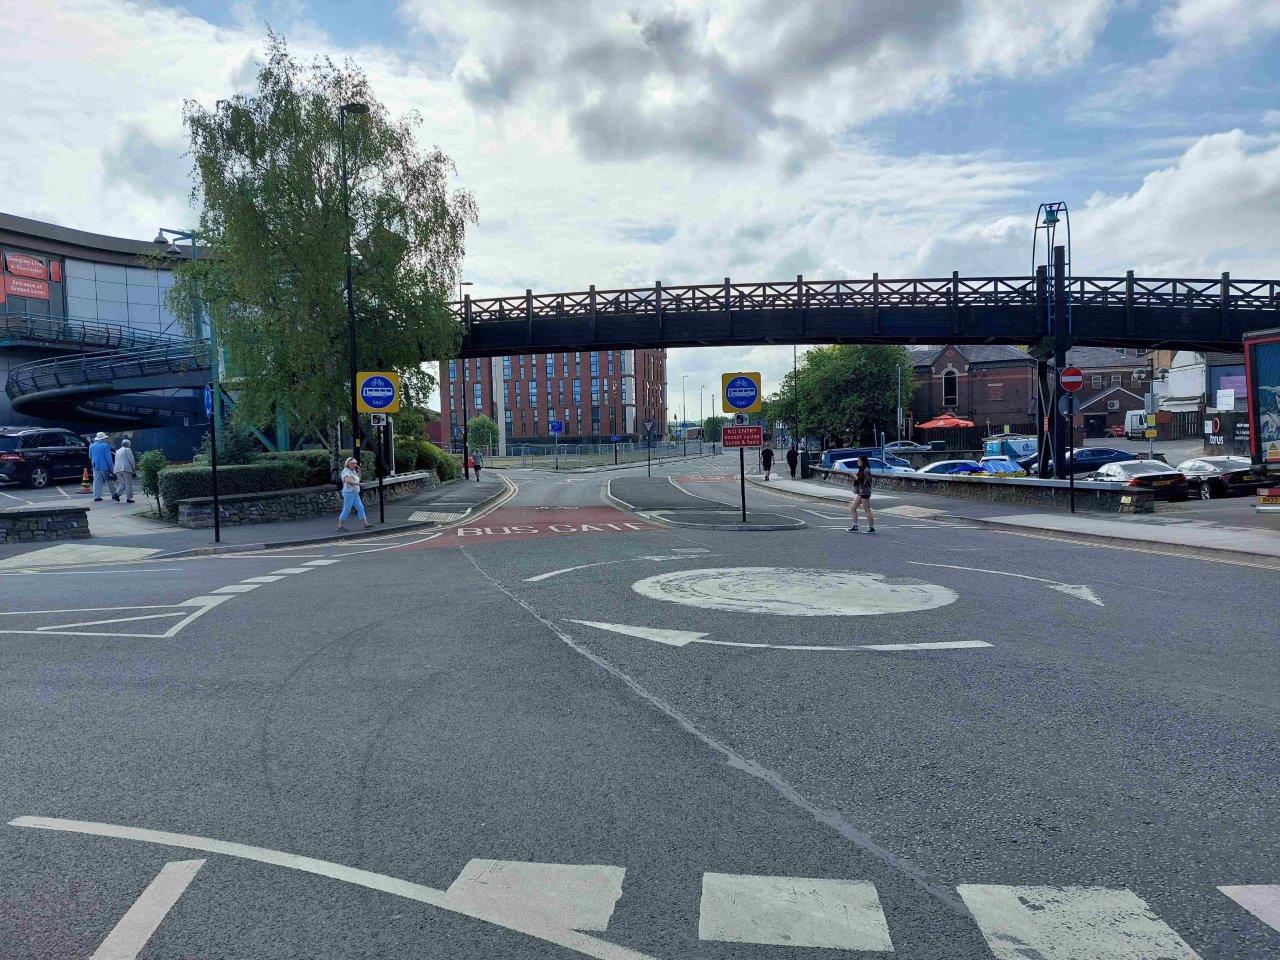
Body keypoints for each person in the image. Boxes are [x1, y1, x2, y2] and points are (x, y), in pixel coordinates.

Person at [337, 457, 371, 531]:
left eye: (355, 463)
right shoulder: (346, 471)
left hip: (355, 493)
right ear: (348, 464)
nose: (355, 464)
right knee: (347, 508)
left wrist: (359, 472)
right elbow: (348, 481)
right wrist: (359, 484)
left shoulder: (353, 471)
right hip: (348, 492)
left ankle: (366, 524)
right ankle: (340, 525)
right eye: (353, 463)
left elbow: (358, 479)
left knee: (360, 507)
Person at [847, 455, 876, 533]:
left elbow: (863, 482)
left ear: (863, 461)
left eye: (859, 460)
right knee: (853, 508)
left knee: (867, 510)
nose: (857, 462)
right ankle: (855, 526)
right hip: (861, 492)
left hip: (865, 492)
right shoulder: (862, 469)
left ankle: (871, 528)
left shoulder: (866, 470)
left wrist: (854, 475)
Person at [88, 431, 118, 502]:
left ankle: (97, 497)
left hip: (95, 466)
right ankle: (114, 494)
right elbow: (108, 458)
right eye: (104, 438)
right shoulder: (106, 446)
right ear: (102, 439)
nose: (105, 439)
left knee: (96, 482)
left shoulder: (91, 446)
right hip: (105, 467)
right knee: (109, 481)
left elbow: (90, 456)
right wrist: (112, 467)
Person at [112, 438, 137, 504]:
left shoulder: (118, 451)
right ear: (129, 444)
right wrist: (134, 469)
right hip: (126, 468)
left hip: (117, 469)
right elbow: (131, 460)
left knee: (122, 484)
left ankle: (117, 494)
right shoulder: (128, 449)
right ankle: (129, 498)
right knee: (128, 484)